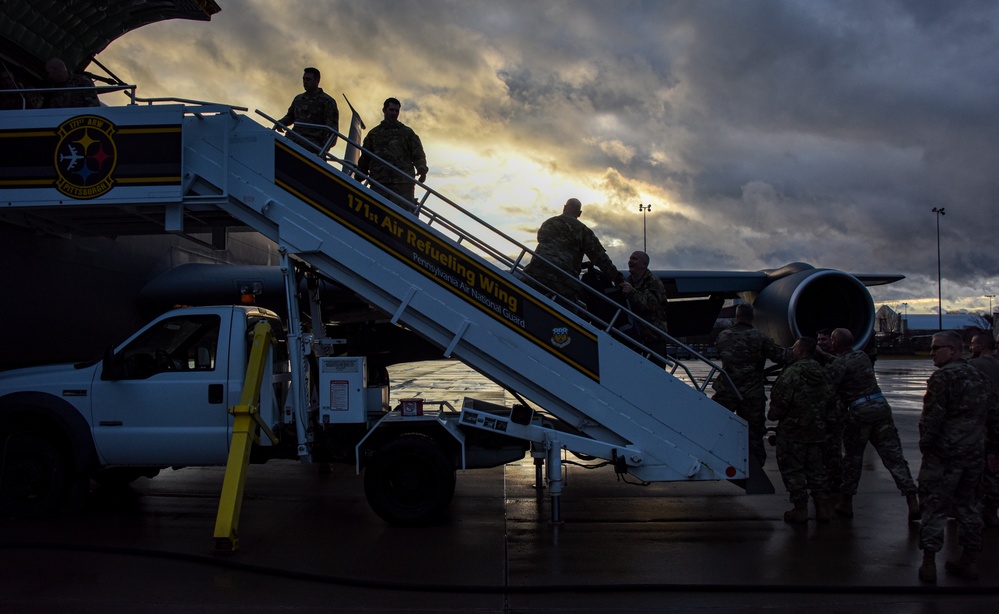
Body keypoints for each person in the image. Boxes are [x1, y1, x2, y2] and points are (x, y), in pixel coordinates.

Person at [917, 331, 999, 583]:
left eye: (936, 348)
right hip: (974, 453)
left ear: (953, 350)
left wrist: (927, 446)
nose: (931, 353)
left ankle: (929, 562)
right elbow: (994, 415)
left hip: (945, 454)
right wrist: (993, 449)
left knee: (934, 505)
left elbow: (931, 420)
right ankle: (970, 559)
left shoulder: (943, 378)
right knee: (970, 506)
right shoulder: (980, 377)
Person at [826, 327, 919, 521]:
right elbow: (845, 362)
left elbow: (830, 385)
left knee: (853, 459)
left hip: (859, 413)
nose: (830, 342)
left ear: (837, 343)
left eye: (832, 340)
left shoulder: (839, 365)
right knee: (894, 457)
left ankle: (846, 502)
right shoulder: (862, 357)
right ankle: (911, 498)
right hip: (880, 408)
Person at [711, 303, 789, 467]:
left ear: (737, 316)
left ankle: (713, 460)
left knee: (716, 427)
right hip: (752, 393)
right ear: (751, 317)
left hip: (727, 390)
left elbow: (719, 352)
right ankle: (755, 468)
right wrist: (798, 351)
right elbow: (780, 356)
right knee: (753, 433)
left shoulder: (723, 336)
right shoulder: (760, 337)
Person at [767, 337, 835, 524]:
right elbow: (832, 401)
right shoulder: (823, 373)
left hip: (793, 432)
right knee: (816, 469)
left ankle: (801, 509)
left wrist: (773, 416)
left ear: (801, 350)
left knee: (793, 470)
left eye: (794, 347)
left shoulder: (792, 373)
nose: (792, 351)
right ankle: (823, 508)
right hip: (817, 431)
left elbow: (779, 403)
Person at [522, 198, 621, 304]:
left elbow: (551, 248)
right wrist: (617, 278)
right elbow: (600, 258)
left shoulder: (548, 223)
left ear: (564, 208)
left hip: (535, 273)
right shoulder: (583, 231)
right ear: (579, 213)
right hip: (563, 283)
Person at [356, 97, 427, 211]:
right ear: (384, 110)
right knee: (376, 213)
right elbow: (365, 157)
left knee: (403, 217)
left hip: (402, 184)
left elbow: (418, 153)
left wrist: (422, 169)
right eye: (391, 110)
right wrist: (359, 176)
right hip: (379, 182)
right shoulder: (374, 134)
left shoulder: (407, 133)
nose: (394, 113)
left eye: (396, 111)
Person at [969, 332, 999, 527]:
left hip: (980, 425)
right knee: (994, 468)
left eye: (973, 344)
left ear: (981, 346)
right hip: (997, 425)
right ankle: (991, 510)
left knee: (974, 470)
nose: (970, 347)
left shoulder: (972, 366)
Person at [276, 67, 340, 152]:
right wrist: (281, 123)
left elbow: (332, 131)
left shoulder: (327, 102)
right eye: (304, 79)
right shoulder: (299, 99)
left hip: (312, 145)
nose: (305, 82)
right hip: (292, 140)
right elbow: (290, 116)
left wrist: (323, 150)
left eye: (308, 79)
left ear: (317, 81)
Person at [815, 327, 845, 493]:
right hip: (822, 413)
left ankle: (835, 484)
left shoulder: (839, 360)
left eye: (824, 340)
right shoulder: (818, 360)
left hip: (835, 413)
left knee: (833, 450)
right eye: (818, 340)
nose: (820, 343)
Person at [620, 250, 669, 341]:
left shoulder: (654, 282)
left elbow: (651, 305)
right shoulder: (628, 280)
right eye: (630, 258)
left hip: (653, 336)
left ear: (644, 264)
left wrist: (632, 292)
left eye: (634, 259)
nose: (630, 261)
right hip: (634, 333)